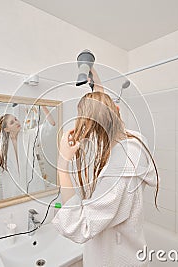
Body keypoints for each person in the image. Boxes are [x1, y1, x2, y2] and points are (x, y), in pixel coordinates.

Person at [52, 67, 159, 266]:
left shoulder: (121, 167)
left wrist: (62, 166)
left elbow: (81, 225)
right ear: (117, 112)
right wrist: (96, 85)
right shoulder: (135, 142)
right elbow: (110, 122)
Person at [0, 105, 56, 198]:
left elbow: (51, 123)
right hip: (13, 191)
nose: (17, 122)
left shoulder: (29, 135)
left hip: (33, 187)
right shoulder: (2, 146)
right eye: (12, 122)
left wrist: (43, 105)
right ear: (6, 129)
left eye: (16, 119)